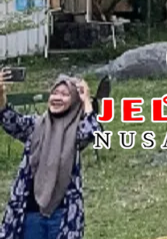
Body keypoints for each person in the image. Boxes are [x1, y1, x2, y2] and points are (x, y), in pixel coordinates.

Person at [0, 71, 100, 239]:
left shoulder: (76, 131)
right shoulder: (35, 125)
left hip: (62, 214)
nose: (57, 98)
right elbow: (9, 121)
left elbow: (92, 131)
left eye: (65, 94)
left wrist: (86, 101)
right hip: (29, 212)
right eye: (54, 92)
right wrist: (1, 94)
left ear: (74, 101)